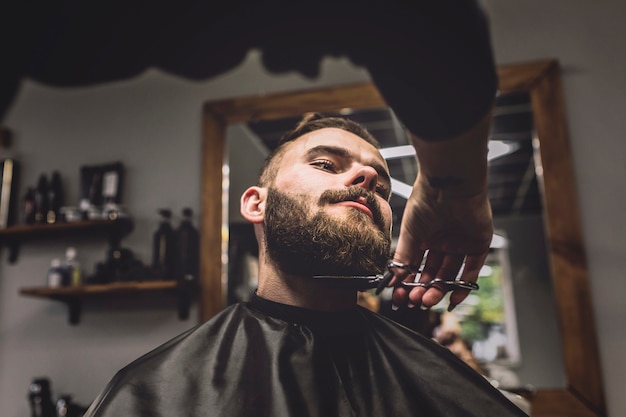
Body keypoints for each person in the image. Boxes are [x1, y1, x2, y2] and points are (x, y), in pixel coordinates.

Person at [83, 114, 525, 417]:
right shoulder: (154, 392)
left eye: (383, 184)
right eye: (324, 164)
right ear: (257, 203)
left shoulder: (440, 379)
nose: (367, 179)